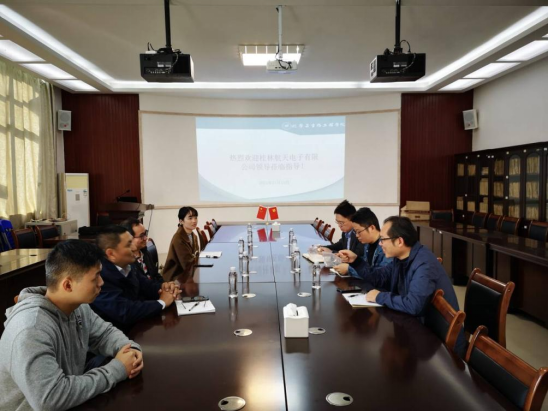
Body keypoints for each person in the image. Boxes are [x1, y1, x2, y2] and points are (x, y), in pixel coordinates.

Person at [0, 240, 144, 411]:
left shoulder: (78, 306)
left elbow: (104, 334)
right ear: (68, 285)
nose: (101, 282)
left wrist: (129, 349)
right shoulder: (31, 328)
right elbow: (50, 398)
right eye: (95, 277)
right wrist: (118, 369)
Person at [339, 216, 459, 316]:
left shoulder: (424, 264)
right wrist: (356, 261)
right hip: (416, 323)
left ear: (399, 241)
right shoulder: (400, 259)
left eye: (383, 239)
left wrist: (380, 296)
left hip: (433, 335)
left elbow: (413, 305)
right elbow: (379, 278)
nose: (380, 244)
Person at [91, 225, 180, 333]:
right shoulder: (100, 277)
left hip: (138, 327)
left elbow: (147, 286)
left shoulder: (129, 265)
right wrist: (162, 302)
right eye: (129, 244)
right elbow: (124, 311)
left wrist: (165, 287)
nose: (134, 247)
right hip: (117, 335)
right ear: (111, 254)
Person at [334, 207, 391, 277]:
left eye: (359, 232)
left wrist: (349, 269)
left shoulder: (386, 246)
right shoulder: (367, 245)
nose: (357, 235)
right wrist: (354, 259)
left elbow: (378, 276)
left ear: (371, 228)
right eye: (355, 232)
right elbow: (366, 267)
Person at [162, 206, 203, 281]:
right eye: (190, 218)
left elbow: (195, 258)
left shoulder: (193, 235)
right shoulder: (179, 238)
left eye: (195, 217)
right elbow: (187, 264)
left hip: (187, 272)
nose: (194, 221)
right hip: (176, 276)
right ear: (181, 221)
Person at [120, 218, 163, 283]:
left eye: (145, 233)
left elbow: (155, 275)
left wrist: (164, 284)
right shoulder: (127, 260)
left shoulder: (145, 252)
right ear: (129, 238)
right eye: (141, 236)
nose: (146, 238)